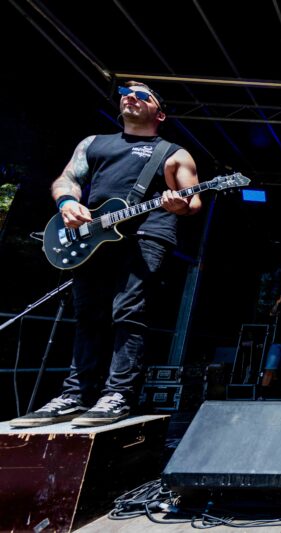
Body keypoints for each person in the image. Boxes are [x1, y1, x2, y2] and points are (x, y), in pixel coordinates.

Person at [10, 81, 201, 428]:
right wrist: (67, 203)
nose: (130, 97)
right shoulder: (93, 143)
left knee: (128, 311)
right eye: (126, 93)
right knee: (88, 315)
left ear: (159, 114)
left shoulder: (174, 153)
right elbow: (67, 179)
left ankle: (118, 394)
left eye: (142, 95)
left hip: (147, 235)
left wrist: (180, 204)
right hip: (95, 236)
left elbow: (194, 201)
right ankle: (76, 394)